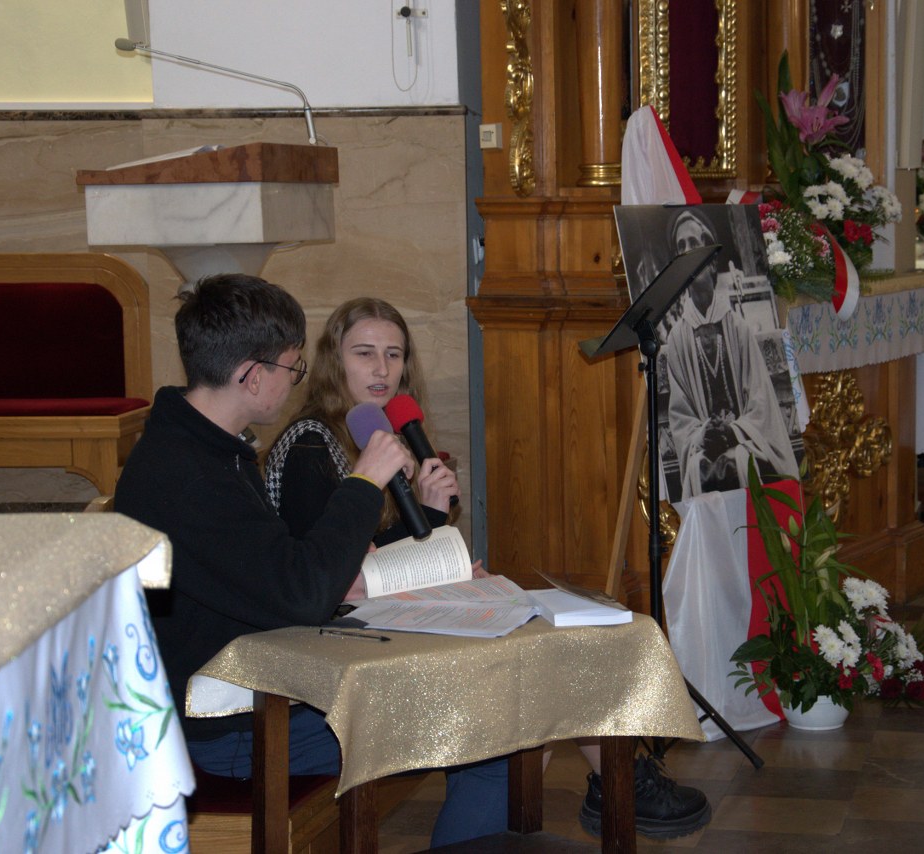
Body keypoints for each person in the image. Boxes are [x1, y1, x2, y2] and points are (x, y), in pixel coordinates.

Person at [265, 297, 712, 840]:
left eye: (394, 354)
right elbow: (329, 573)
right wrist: (430, 538)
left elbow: (377, 554)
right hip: (331, 653)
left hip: (378, 622)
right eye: (364, 353)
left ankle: (616, 776)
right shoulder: (311, 445)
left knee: (538, 646)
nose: (382, 369)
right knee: (514, 711)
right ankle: (618, 779)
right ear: (334, 361)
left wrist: (430, 516)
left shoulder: (379, 434)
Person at [114, 275, 507, 847]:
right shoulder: (190, 476)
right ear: (253, 376)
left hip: (262, 684)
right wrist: (363, 483)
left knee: (480, 702)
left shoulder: (206, 448)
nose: (295, 379)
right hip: (231, 726)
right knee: (494, 733)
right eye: (291, 366)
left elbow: (282, 574)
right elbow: (301, 593)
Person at [662, 208, 797, 499]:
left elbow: (761, 402)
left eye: (694, 243)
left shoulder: (738, 327)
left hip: (744, 440)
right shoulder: (677, 339)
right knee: (699, 468)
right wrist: (703, 434)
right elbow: (681, 418)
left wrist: (733, 431)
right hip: (702, 448)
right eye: (681, 246)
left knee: (740, 460)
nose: (687, 252)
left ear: (713, 261)